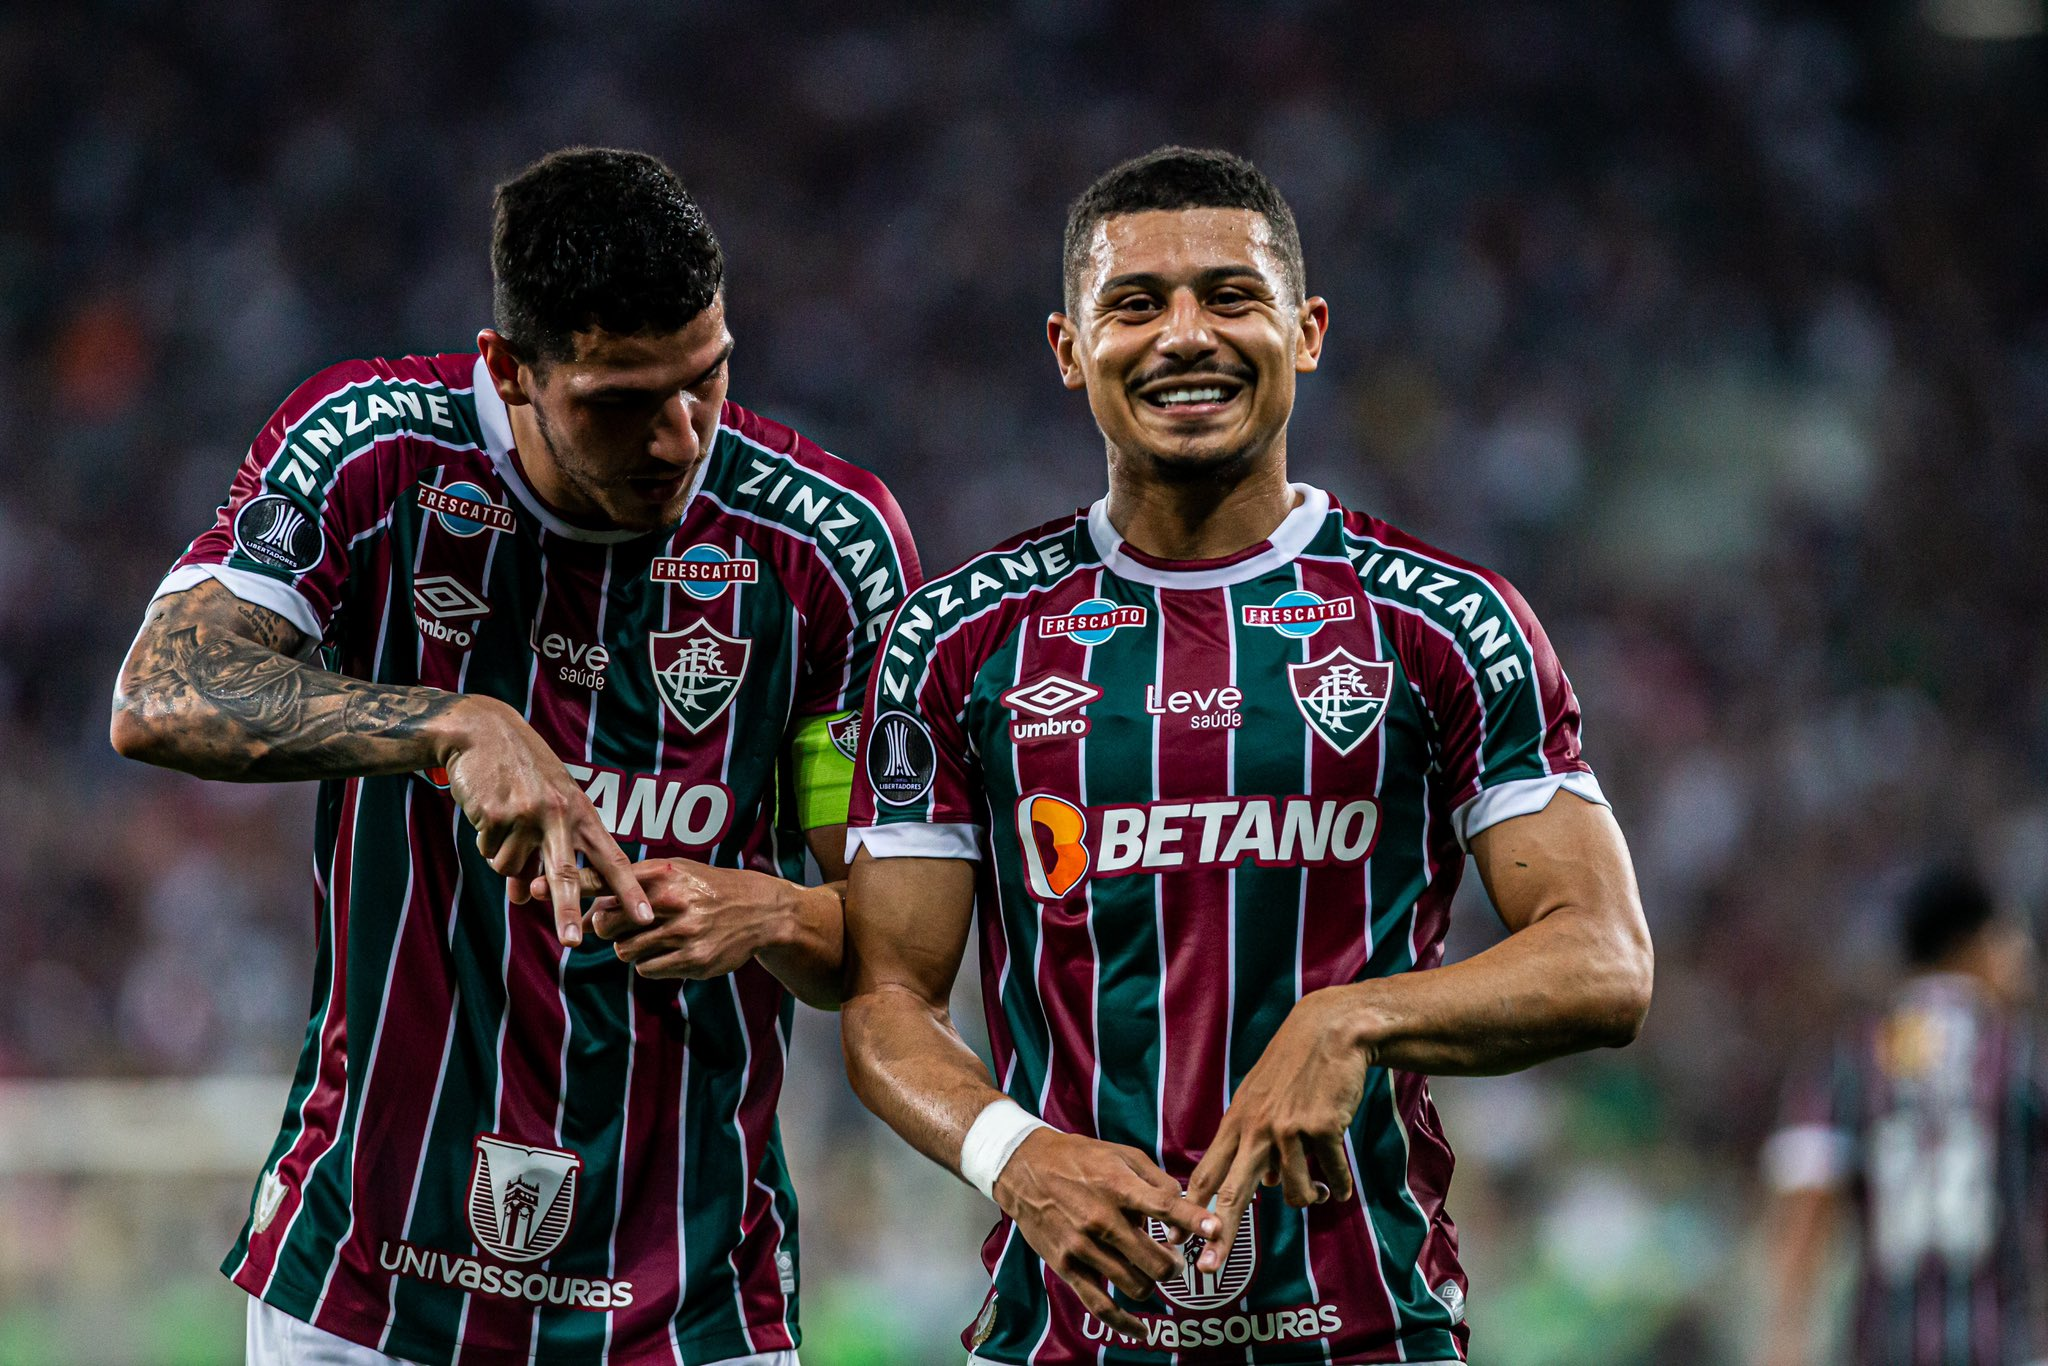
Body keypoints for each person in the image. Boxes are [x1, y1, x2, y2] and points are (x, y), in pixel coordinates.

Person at [837, 145, 1653, 1364]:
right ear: (1068, 349)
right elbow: (887, 1000)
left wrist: (1352, 1020)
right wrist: (1017, 1156)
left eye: (1229, 296)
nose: (1183, 335)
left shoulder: (1442, 619)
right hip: (1062, 1338)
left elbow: (1604, 961)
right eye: (1133, 303)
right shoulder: (961, 637)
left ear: (1305, 330)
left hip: (1365, 1326)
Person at [110, 147, 918, 1366]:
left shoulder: (820, 550)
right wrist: (448, 725)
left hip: (686, 1301)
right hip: (366, 1287)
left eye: (706, 378)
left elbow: (893, 945)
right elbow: (156, 692)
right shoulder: (375, 457)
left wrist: (773, 914)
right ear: (509, 371)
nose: (678, 435)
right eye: (620, 401)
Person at [1761, 866, 2044, 1366]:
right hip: (2002, 1347)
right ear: (1973, 944)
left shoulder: (1848, 1060)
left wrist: (1784, 1343)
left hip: (1884, 1347)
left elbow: (1806, 1210)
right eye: (2010, 936)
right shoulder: (2023, 1061)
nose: (2025, 954)